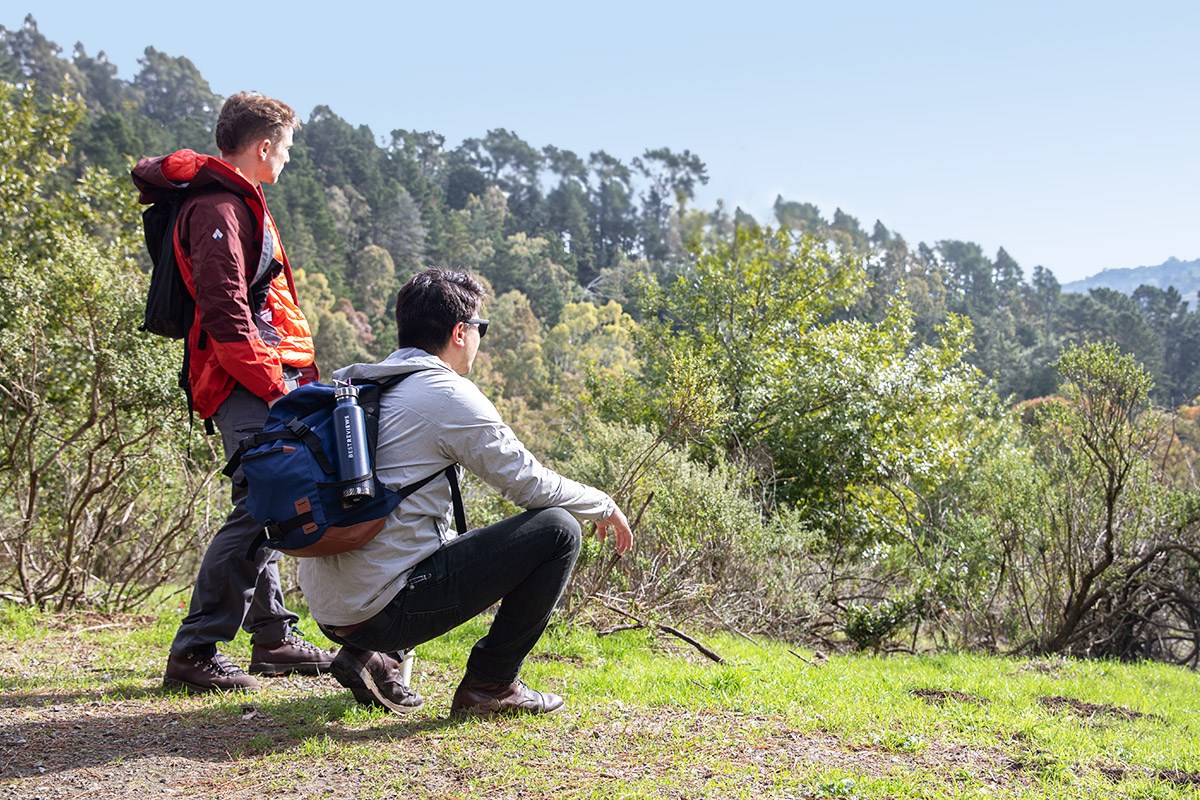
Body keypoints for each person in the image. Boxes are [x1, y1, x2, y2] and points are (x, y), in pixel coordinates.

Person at [298, 268, 633, 716]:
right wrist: (602, 503)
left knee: (433, 536)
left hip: (328, 608)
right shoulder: (446, 394)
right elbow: (528, 483)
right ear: (460, 332)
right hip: (378, 610)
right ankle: (491, 684)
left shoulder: (362, 386)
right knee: (558, 529)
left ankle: (368, 655)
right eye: (481, 328)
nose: (479, 338)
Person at [132, 92, 334, 693]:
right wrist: (276, 389)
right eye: (286, 148)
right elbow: (226, 317)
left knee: (266, 499)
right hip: (240, 379)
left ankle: (272, 639)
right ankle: (195, 650)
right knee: (263, 505)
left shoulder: (232, 199)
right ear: (263, 146)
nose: (288, 158)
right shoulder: (218, 207)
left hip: (253, 375)